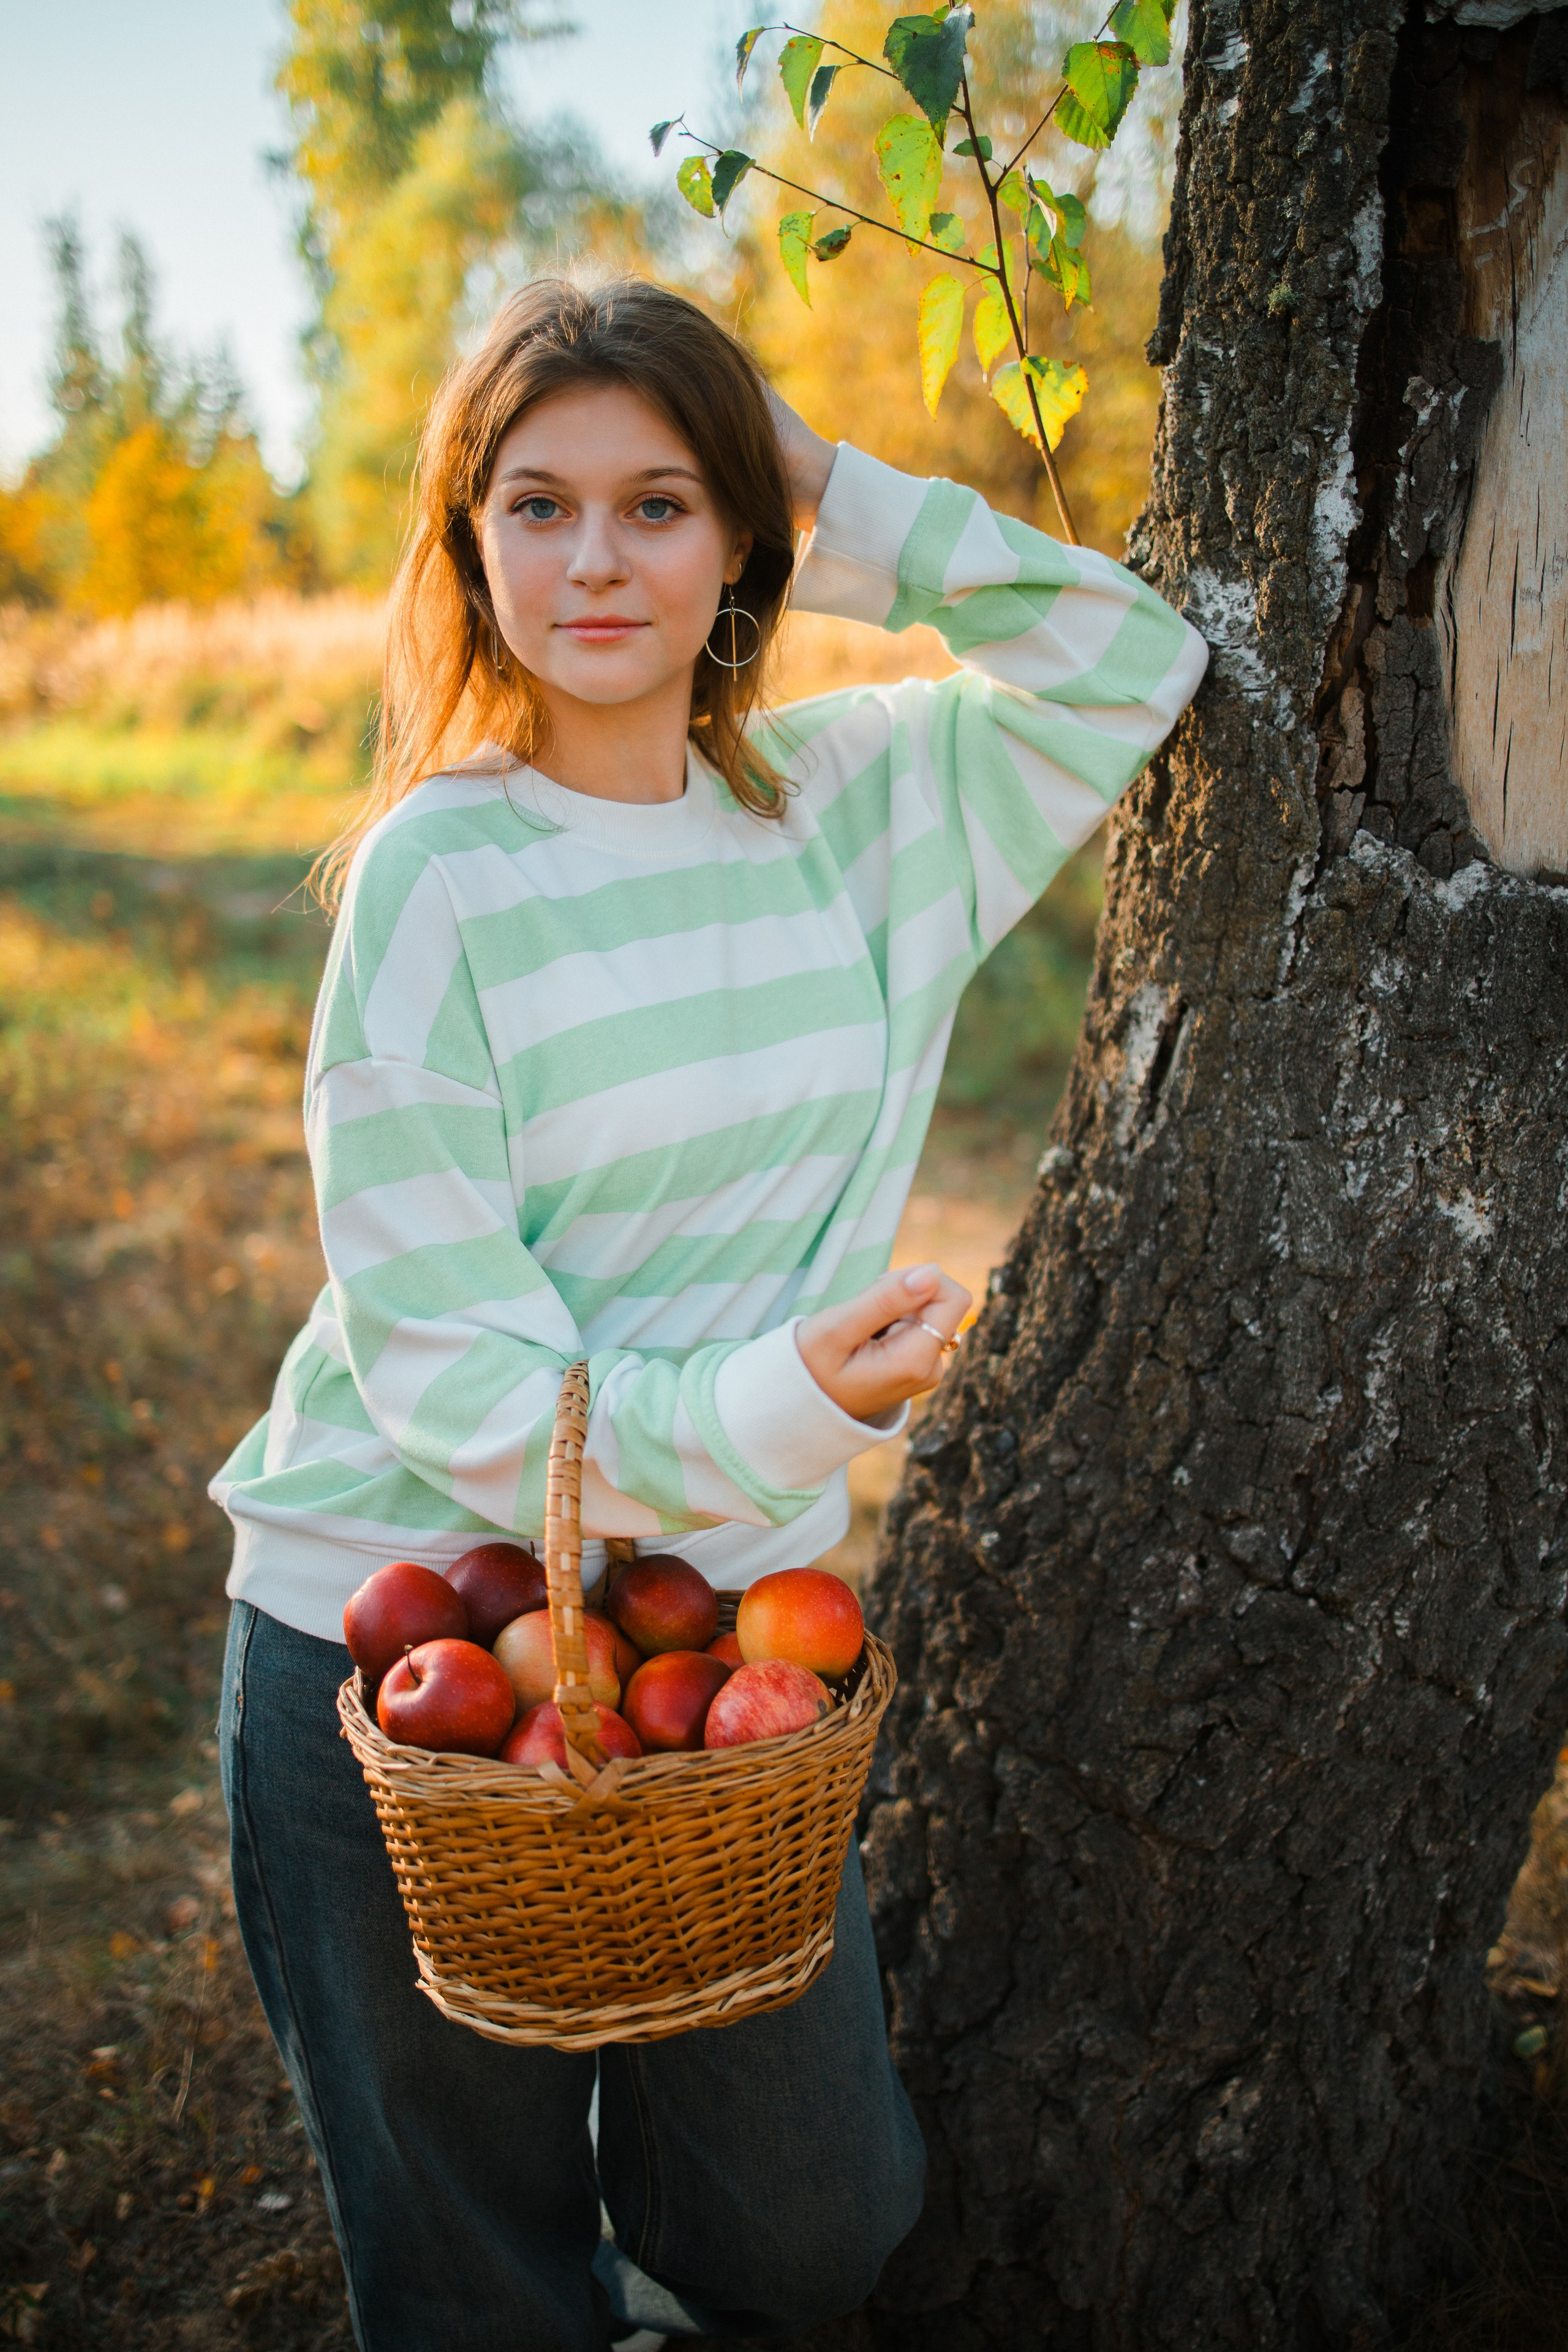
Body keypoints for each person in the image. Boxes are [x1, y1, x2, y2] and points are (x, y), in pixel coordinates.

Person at [209, 276, 1208, 2352]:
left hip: (722, 1630)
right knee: (475, 2281)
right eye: (540, 505)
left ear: (742, 535)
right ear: (472, 541)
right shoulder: (435, 878)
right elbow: (452, 1368)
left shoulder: (855, 808)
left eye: (660, 503)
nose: (596, 560)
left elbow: (1135, 656)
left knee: (811, 2230)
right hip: (401, 1626)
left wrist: (824, 476)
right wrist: (777, 1402)